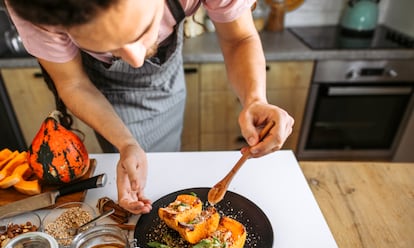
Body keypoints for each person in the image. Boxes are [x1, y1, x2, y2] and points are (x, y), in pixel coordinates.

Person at [5, 0, 294, 215]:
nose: (136, 59)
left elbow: (239, 37)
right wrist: (126, 142)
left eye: (143, 30)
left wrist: (255, 98)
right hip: (101, 90)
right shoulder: (33, 6)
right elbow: (73, 84)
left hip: (166, 71)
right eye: (112, 48)